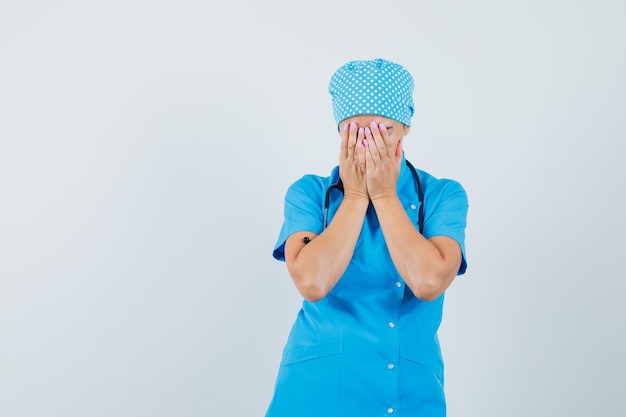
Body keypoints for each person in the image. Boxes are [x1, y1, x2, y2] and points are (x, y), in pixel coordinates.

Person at [265, 58, 468, 417]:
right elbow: (312, 281)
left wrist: (386, 196)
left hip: (408, 395)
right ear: (339, 130)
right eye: (355, 132)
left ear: (405, 127)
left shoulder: (442, 196)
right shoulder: (309, 194)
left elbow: (428, 281)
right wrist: (357, 196)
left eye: (382, 130)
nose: (368, 145)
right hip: (314, 393)